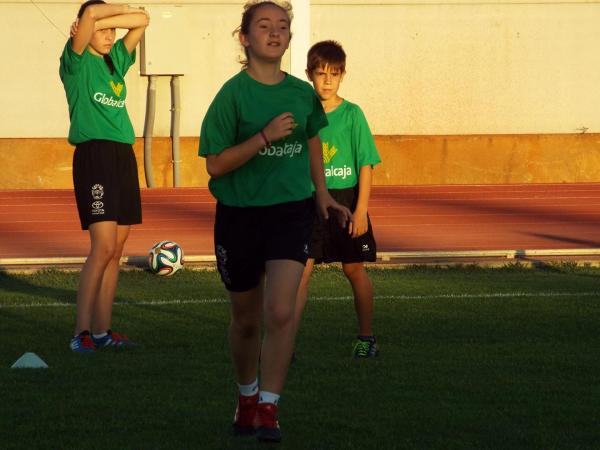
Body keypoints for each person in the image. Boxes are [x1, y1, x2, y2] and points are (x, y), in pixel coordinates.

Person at [199, 1, 351, 443]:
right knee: (246, 320)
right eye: (264, 26)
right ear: (244, 38)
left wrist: (322, 194)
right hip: (240, 216)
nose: (275, 33)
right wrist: (262, 137)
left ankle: (269, 406)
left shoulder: (302, 94)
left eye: (282, 26)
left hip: (290, 213)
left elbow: (313, 138)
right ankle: (246, 397)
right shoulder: (232, 95)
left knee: (281, 310)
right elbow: (215, 165)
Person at [59, 0, 149, 352]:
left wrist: (114, 14)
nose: (111, 35)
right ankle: (79, 333)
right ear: (82, 29)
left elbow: (142, 20)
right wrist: (96, 16)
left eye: (114, 29)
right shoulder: (76, 61)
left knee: (118, 249)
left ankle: (101, 331)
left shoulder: (115, 61)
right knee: (103, 246)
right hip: (94, 155)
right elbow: (92, 16)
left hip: (122, 155)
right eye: (103, 29)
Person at [294, 40, 382, 359]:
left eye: (334, 74)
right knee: (300, 273)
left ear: (343, 75)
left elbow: (366, 164)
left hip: (346, 201)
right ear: (309, 74)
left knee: (354, 270)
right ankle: (285, 342)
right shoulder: (301, 112)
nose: (327, 80)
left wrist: (360, 211)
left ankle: (366, 338)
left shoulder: (352, 114)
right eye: (320, 73)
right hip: (311, 201)